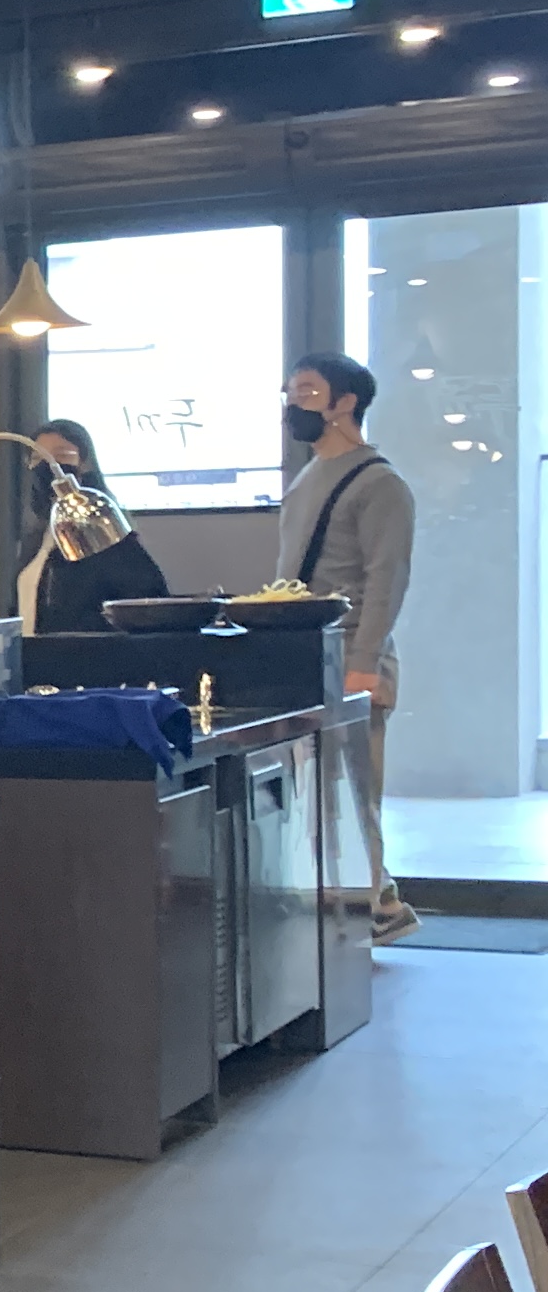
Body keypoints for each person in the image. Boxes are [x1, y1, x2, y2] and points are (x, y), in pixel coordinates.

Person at [280, 352, 418, 942]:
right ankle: (364, 905)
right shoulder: (306, 479)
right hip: (305, 657)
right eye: (290, 392)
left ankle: (377, 907)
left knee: (356, 791)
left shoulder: (379, 482)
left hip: (352, 660)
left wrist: (364, 663)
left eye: (308, 391)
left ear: (346, 403)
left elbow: (387, 579)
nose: (294, 403)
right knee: (321, 796)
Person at [13, 418, 169, 634]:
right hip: (34, 653)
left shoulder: (104, 534)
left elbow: (145, 602)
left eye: (60, 455)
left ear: (85, 463)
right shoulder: (37, 538)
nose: (48, 464)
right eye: (38, 457)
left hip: (86, 651)